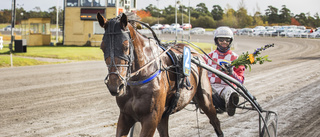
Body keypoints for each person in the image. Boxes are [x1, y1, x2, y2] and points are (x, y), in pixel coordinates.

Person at [203, 26, 245, 116]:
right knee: (204, 89)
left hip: (227, 86)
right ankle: (216, 104)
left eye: (227, 40)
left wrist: (232, 73)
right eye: (221, 40)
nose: (224, 42)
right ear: (216, 40)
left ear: (231, 41)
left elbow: (241, 81)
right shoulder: (207, 57)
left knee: (230, 92)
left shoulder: (236, 59)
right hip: (211, 87)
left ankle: (230, 104)